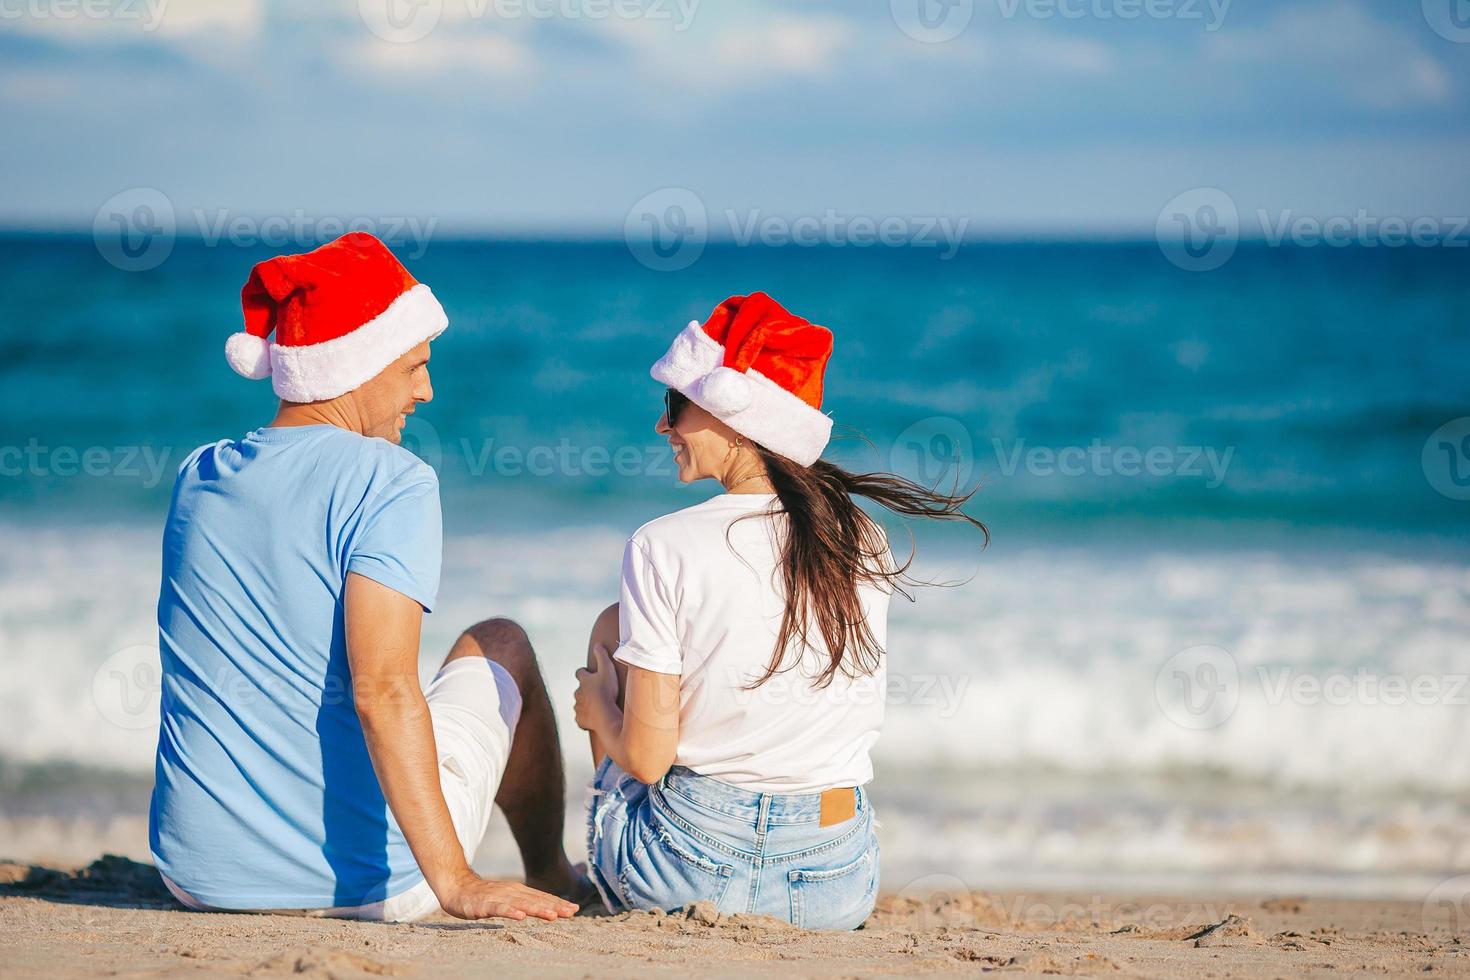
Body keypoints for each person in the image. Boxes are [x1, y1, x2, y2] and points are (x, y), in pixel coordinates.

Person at [149, 232, 580, 922]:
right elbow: (381, 690)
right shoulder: (392, 480)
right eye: (413, 366)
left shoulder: (198, 474)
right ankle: (554, 874)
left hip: (195, 877)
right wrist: (456, 884)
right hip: (367, 887)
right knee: (502, 642)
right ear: (357, 365)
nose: (426, 389)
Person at [572, 292, 987, 929]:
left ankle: (566, 865)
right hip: (832, 881)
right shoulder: (857, 536)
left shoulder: (660, 544)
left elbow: (650, 761)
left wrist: (599, 711)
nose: (664, 427)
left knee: (612, 631)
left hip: (684, 869)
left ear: (733, 418)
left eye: (674, 406)